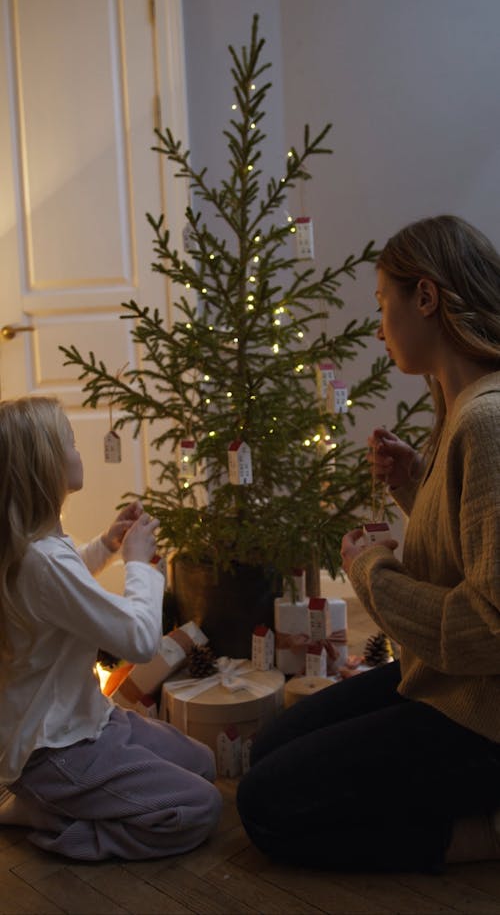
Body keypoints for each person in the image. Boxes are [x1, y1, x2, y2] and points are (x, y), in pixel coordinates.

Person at [237, 214, 500, 872]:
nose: (380, 325)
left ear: (427, 297)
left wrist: (371, 572)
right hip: (441, 681)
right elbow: (470, 546)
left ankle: (480, 835)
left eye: (384, 302)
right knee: (269, 749)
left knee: (266, 805)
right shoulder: (462, 408)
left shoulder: (487, 422)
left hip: (483, 716)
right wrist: (417, 484)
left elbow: (488, 628)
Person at [0, 395, 222, 861]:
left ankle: (46, 799)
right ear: (44, 466)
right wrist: (140, 565)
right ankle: (56, 822)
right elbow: (141, 642)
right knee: (198, 807)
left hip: (85, 722)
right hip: (56, 750)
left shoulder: (30, 545)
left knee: (202, 763)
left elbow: (61, 588)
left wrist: (105, 545)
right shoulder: (42, 559)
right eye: (71, 443)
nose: (79, 453)